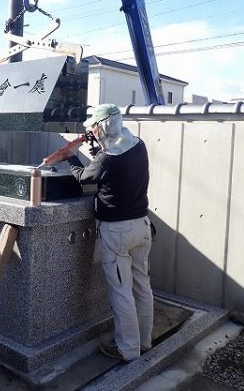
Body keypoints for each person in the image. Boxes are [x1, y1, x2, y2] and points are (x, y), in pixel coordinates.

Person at [62, 103, 155, 362]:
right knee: (142, 285)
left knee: (121, 291)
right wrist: (96, 151)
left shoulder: (107, 158)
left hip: (118, 232)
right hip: (142, 226)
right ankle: (145, 342)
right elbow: (108, 164)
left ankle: (127, 350)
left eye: (94, 125)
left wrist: (68, 157)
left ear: (103, 125)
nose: (92, 130)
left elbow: (84, 177)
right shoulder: (138, 145)